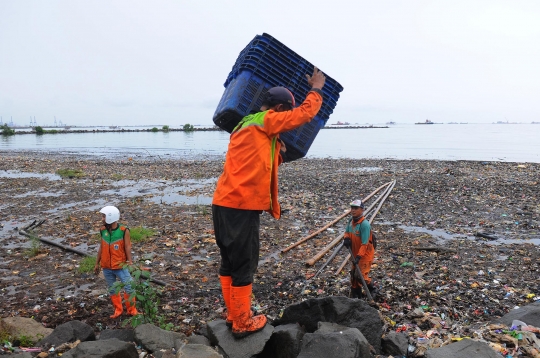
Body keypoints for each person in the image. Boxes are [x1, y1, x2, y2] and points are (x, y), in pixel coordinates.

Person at [212, 67, 326, 338]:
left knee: (229, 262)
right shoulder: (268, 119)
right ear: (278, 108)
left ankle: (232, 315)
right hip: (241, 207)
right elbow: (304, 115)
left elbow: (256, 163)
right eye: (284, 112)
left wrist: (278, 153)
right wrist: (317, 89)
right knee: (244, 265)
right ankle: (242, 322)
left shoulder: (245, 124)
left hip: (223, 203)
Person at [94, 206, 138, 318]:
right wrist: (97, 263)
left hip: (120, 265)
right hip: (107, 266)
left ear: (110, 217)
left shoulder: (123, 231)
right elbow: (101, 247)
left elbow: (128, 247)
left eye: (104, 216)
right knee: (112, 289)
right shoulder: (103, 230)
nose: (102, 219)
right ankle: (118, 310)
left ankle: (131, 310)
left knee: (129, 287)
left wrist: (130, 261)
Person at [343, 199, 376, 299]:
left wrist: (358, 257)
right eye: (352, 208)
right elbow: (347, 232)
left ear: (362, 210)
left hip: (365, 255)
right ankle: (356, 294)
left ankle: (372, 289)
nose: (353, 210)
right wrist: (346, 238)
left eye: (356, 208)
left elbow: (365, 244)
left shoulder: (364, 225)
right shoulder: (350, 221)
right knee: (354, 275)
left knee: (360, 276)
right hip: (355, 253)